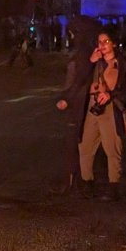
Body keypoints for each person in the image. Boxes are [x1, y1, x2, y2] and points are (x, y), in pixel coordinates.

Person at [77, 28, 126, 201]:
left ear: (114, 43)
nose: (102, 45)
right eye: (100, 42)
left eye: (106, 41)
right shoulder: (94, 61)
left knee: (112, 147)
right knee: (86, 145)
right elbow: (79, 80)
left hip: (111, 108)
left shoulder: (123, 63)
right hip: (92, 107)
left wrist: (111, 95)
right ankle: (87, 182)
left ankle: (113, 186)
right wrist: (90, 62)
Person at [52, 15, 100, 196]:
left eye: (72, 33)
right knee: (79, 141)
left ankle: (73, 180)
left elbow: (79, 79)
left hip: (78, 103)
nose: (70, 36)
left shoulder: (82, 53)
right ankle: (78, 178)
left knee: (74, 141)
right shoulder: (88, 50)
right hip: (82, 100)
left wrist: (67, 98)